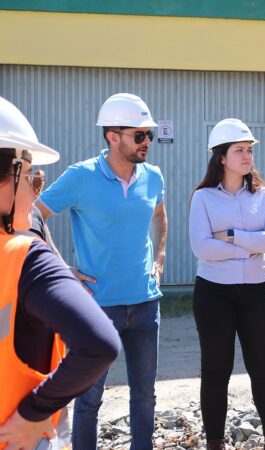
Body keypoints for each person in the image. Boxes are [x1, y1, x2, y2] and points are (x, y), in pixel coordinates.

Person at [35, 93, 168, 450]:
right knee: (89, 399)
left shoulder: (152, 177)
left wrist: (160, 258)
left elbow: (159, 216)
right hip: (98, 308)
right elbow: (34, 215)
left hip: (145, 305)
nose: (146, 143)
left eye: (149, 135)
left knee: (145, 395)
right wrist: (61, 269)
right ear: (113, 135)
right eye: (138, 135)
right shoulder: (81, 177)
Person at [0, 96, 120, 450]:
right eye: (34, 177)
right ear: (14, 172)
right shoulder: (24, 257)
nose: (35, 191)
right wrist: (34, 412)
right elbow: (99, 344)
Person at [189, 118, 265, 450]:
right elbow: (202, 247)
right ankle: (214, 442)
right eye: (239, 150)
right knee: (216, 370)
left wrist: (232, 237)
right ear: (221, 157)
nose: (247, 156)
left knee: (264, 369)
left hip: (258, 292)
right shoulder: (202, 198)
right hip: (214, 295)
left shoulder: (263, 196)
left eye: (249, 150)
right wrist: (251, 245)